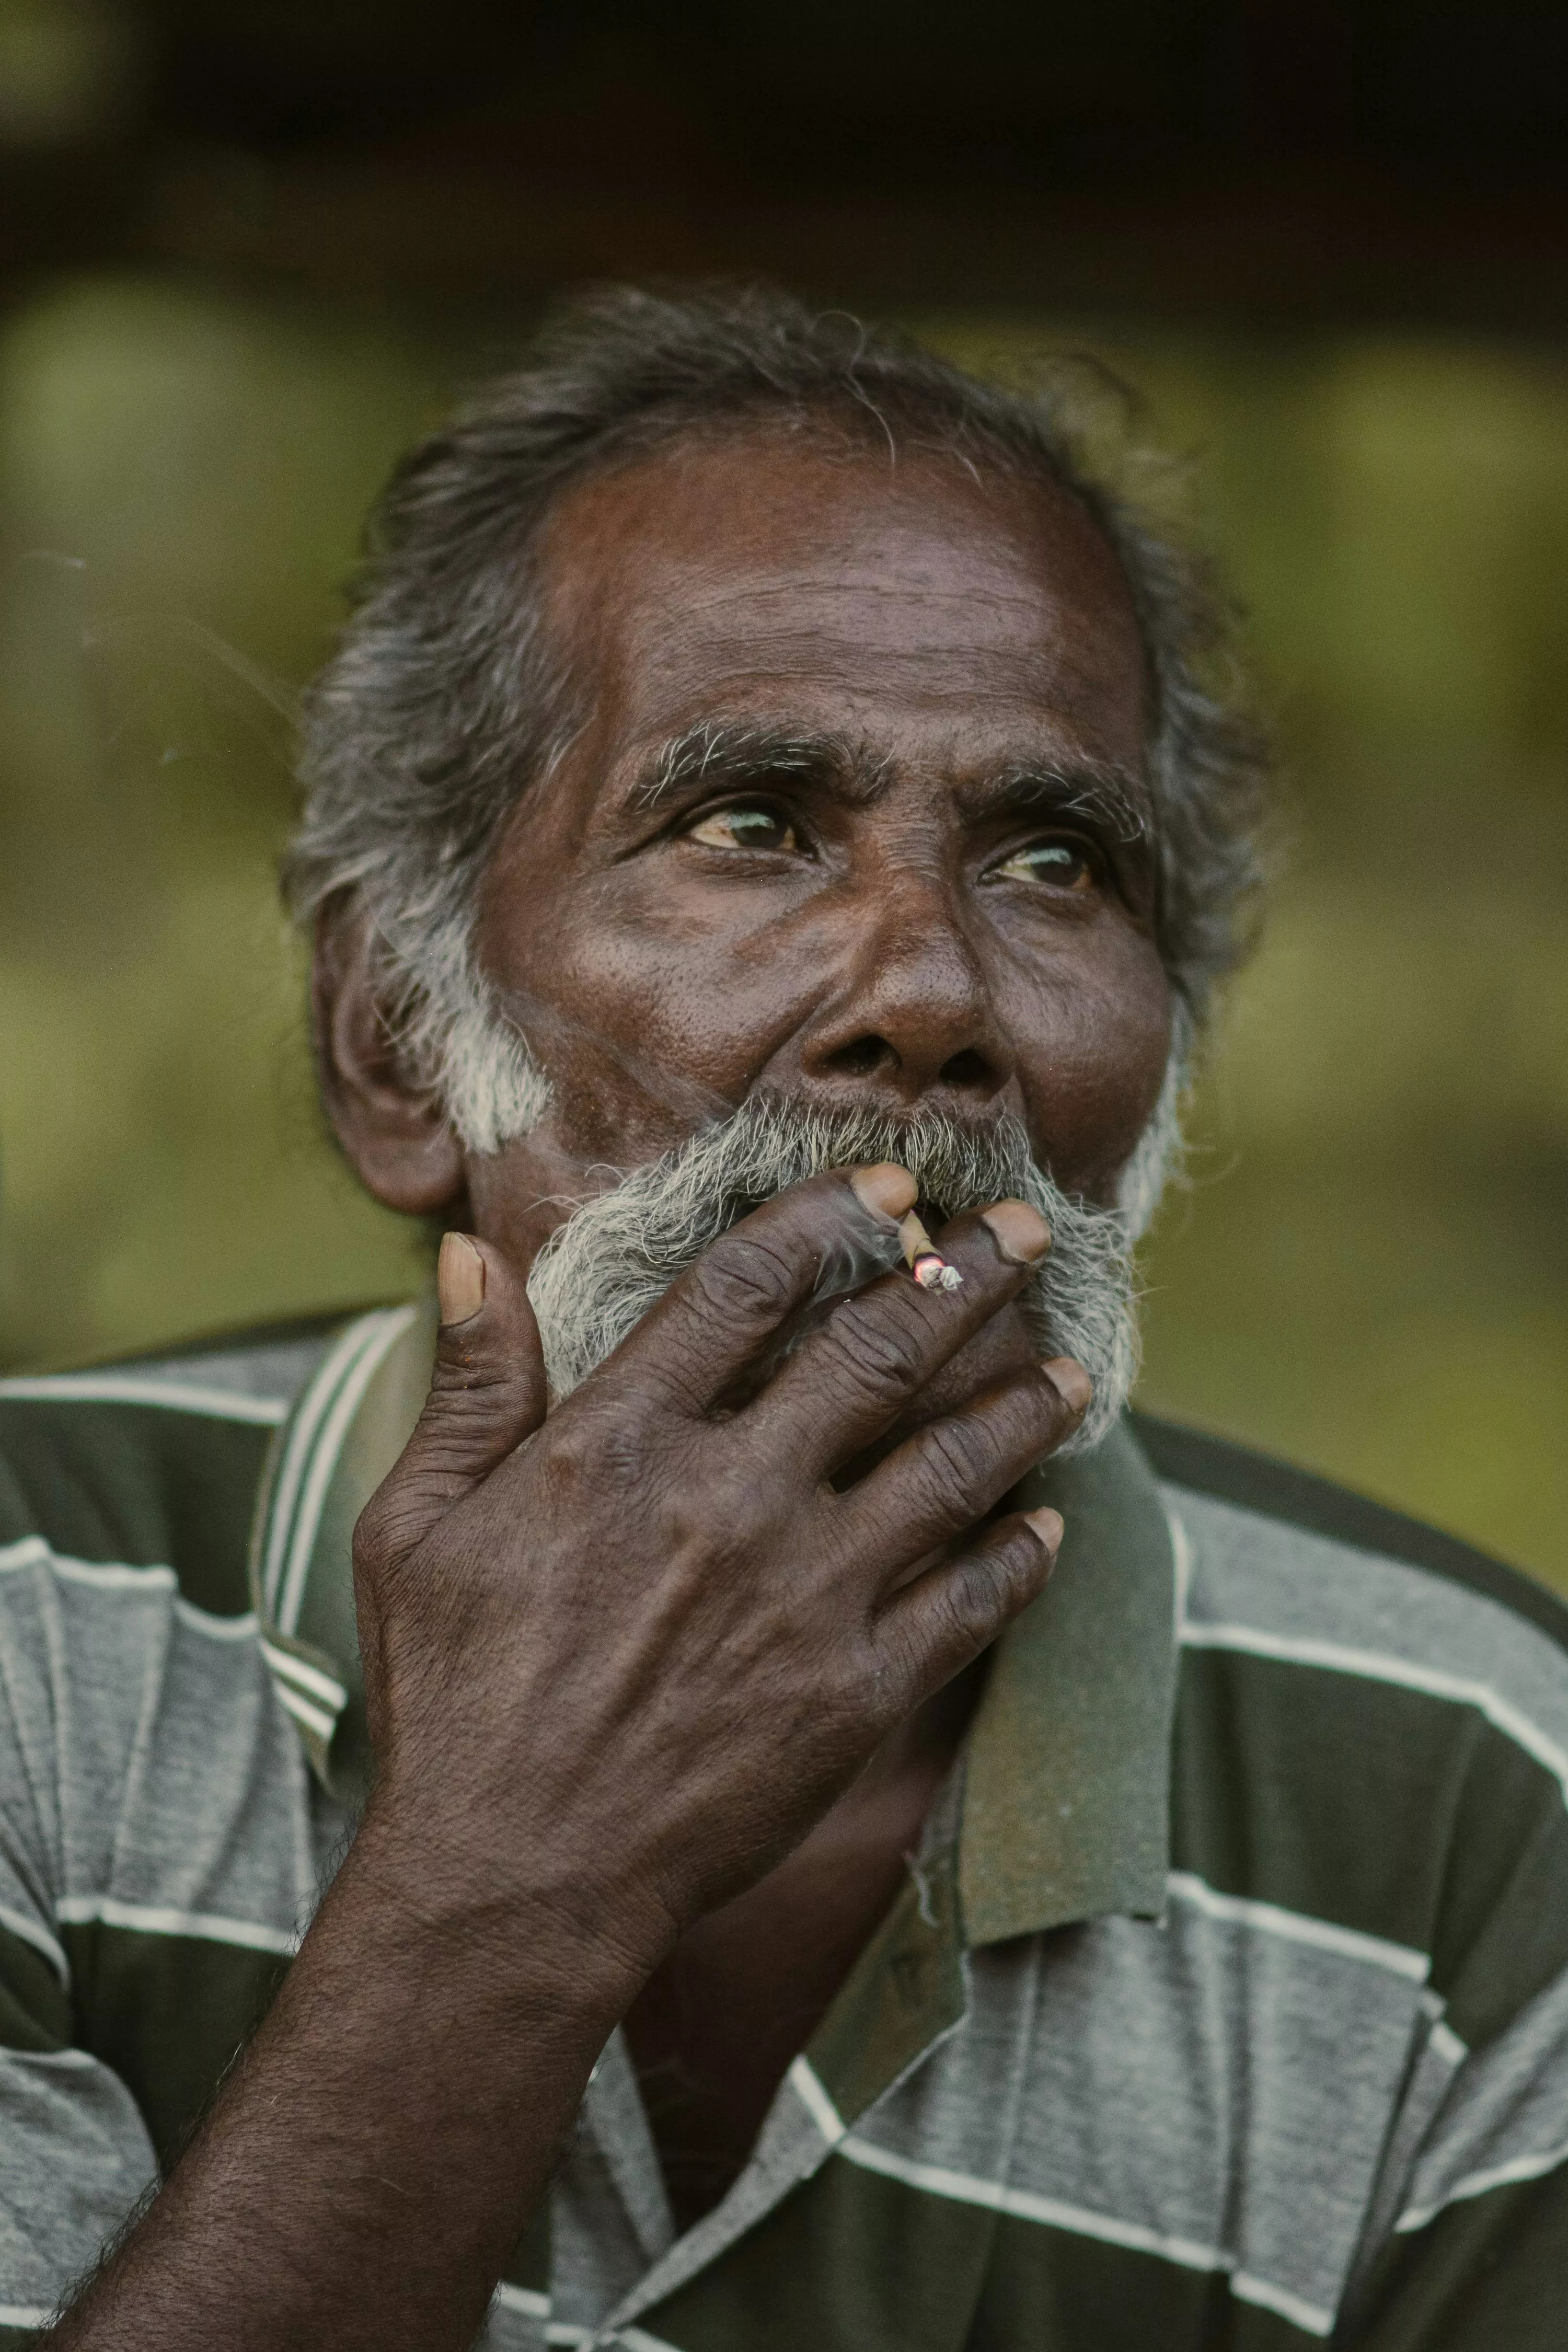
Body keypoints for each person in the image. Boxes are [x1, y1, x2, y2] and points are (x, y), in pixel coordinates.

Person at [1, 287, 1564, 2352]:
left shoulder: (1481, 1815)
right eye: (750, 828)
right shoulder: (27, 1633)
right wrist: (513, 1885)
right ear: (391, 1041)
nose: (929, 989)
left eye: (1052, 860)